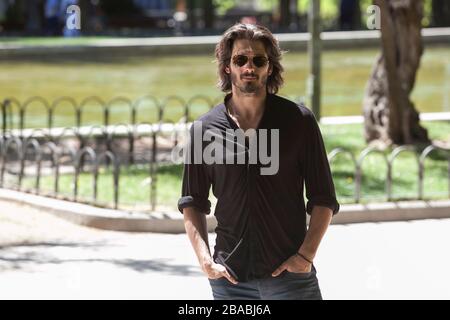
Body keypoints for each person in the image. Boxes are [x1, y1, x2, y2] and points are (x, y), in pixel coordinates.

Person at [178, 23, 339, 300]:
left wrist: (305, 256)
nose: (249, 67)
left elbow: (323, 198)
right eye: (240, 59)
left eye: (258, 60)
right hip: (230, 281)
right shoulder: (204, 130)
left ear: (270, 67)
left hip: (292, 279)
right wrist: (205, 260)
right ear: (227, 66)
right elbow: (192, 202)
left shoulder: (299, 122)